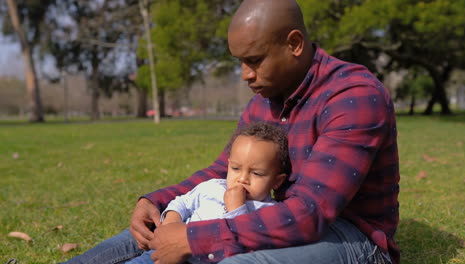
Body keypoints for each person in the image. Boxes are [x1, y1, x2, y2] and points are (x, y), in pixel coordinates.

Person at [62, 0, 400, 263]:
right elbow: (222, 171)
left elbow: (309, 214)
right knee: (156, 230)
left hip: (348, 235)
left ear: (294, 44)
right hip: (262, 210)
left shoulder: (352, 96)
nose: (244, 75)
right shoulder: (265, 100)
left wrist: (194, 239)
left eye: (254, 60)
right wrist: (156, 201)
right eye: (239, 61)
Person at [125, 122, 291, 264]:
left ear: (277, 181)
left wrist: (236, 208)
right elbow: (182, 202)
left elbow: (244, 248)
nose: (242, 179)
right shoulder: (213, 187)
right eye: (235, 168)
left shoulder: (268, 212)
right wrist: (172, 221)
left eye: (256, 173)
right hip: (164, 254)